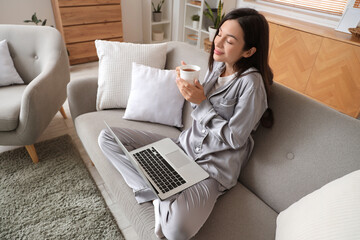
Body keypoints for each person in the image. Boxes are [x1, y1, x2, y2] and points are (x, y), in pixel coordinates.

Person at [98, 8, 273, 240]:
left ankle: (161, 191)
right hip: (182, 148)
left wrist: (200, 103)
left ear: (249, 50)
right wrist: (191, 90)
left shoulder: (251, 84)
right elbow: (200, 111)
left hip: (211, 171)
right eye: (219, 33)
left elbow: (235, 137)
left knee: (175, 231)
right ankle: (156, 193)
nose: (217, 42)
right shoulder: (219, 67)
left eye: (229, 40)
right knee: (107, 138)